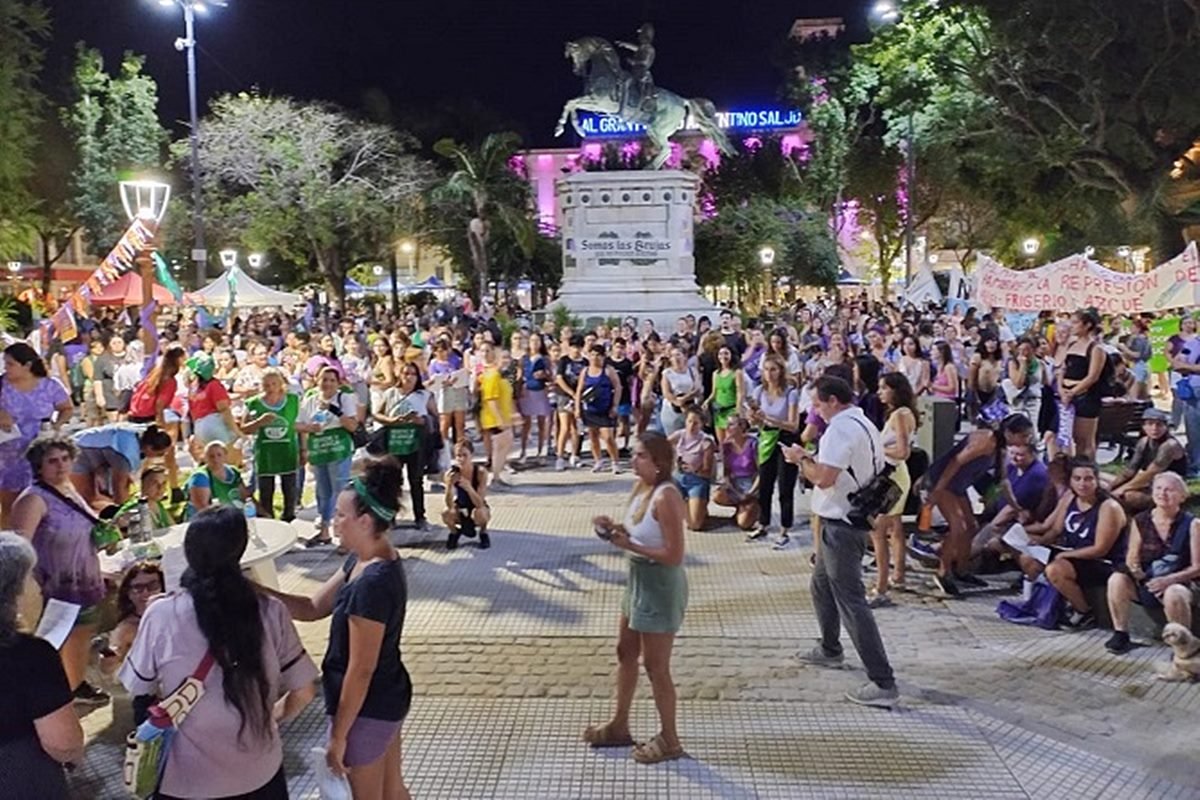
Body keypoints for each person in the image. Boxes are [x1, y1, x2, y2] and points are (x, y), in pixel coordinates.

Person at [119, 506, 319, 800]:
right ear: (240, 552)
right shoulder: (270, 611)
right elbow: (304, 690)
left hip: (187, 781)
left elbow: (136, 685)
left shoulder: (161, 614)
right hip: (259, 774)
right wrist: (273, 716)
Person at [258, 459, 413, 799]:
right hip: (388, 697)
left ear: (365, 521)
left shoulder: (371, 584)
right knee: (392, 790)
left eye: (341, 516)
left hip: (368, 709)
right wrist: (257, 591)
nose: (335, 522)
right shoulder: (367, 559)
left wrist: (338, 737)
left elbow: (361, 670)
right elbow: (312, 608)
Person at [784, 375, 898, 708]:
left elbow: (823, 478)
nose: (815, 412)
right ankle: (829, 648)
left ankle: (883, 681)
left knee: (851, 602)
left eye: (818, 404)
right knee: (821, 586)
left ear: (833, 401)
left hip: (841, 523)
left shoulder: (838, 430)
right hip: (852, 518)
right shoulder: (864, 423)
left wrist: (800, 460)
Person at [585, 432, 687, 764]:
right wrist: (614, 528)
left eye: (641, 455)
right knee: (625, 651)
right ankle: (619, 724)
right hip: (637, 579)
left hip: (659, 584)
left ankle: (670, 739)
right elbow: (639, 532)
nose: (634, 459)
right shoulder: (641, 488)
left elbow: (674, 555)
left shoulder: (667, 496)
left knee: (656, 666)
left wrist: (630, 546)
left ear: (658, 462)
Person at [12, 434, 110, 705]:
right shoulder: (32, 499)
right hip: (53, 589)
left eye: (65, 459)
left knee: (80, 636)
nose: (61, 465)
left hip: (84, 579)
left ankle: (75, 684)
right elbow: (20, 549)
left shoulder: (68, 488)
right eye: (52, 461)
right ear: (38, 467)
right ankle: (46, 699)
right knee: (49, 645)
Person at [0, 531, 84, 798]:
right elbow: (64, 744)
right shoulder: (30, 656)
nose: (39, 586)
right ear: (12, 593)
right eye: (31, 577)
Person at [920, 414, 1037, 597]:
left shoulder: (1002, 451)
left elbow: (1003, 482)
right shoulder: (986, 440)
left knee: (972, 526)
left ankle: (962, 569)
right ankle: (943, 572)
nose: (1026, 440)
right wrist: (937, 491)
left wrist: (1016, 506)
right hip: (943, 482)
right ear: (1009, 433)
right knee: (958, 528)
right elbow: (955, 461)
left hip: (958, 486)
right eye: (1023, 436)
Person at [1019, 459, 1126, 628]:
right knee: (1028, 558)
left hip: (1099, 561)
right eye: (1077, 479)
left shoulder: (1108, 507)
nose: (1082, 484)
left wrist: (1065, 554)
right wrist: (1037, 542)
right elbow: (1055, 531)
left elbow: (1100, 549)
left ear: (1097, 481)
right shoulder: (1070, 498)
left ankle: (1084, 611)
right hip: (1072, 554)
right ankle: (1038, 602)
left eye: (1088, 479)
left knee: (1056, 568)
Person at [1106, 472, 1200, 654]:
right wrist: (1136, 571)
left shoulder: (1193, 524)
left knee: (1174, 593)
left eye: (1169, 490)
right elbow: (1132, 556)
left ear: (1182, 496)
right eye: (1158, 488)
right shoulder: (1141, 520)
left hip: (1182, 582)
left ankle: (1183, 646)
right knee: (1116, 580)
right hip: (1149, 579)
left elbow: (1197, 567)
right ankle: (1121, 633)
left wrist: (1169, 580)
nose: (1162, 493)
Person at [0, 343, 73, 526]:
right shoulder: (2, 385)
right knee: (11, 507)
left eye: (10, 364)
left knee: (47, 503)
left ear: (27, 365)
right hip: (9, 457)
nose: (5, 368)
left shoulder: (49, 385)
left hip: (43, 454)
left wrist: (56, 426)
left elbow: (66, 408)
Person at [869, 373, 918, 606]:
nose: (879, 392)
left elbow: (902, 451)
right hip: (895, 474)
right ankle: (898, 574)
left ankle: (881, 586)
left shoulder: (900, 415)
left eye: (883, 388)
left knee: (878, 530)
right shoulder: (902, 413)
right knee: (895, 528)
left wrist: (877, 449)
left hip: (893, 477)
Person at [300, 366, 360, 545]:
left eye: (332, 380)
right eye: (324, 379)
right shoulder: (309, 400)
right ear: (317, 381)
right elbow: (297, 424)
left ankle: (344, 535)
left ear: (338, 383)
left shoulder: (344, 398)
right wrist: (309, 428)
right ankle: (324, 530)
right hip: (319, 448)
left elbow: (353, 425)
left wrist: (334, 409)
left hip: (338, 448)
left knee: (340, 490)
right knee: (323, 491)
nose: (327, 383)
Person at [99, 561, 165, 724]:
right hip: (151, 699)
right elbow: (110, 669)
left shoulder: (173, 612)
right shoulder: (127, 628)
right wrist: (109, 660)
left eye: (153, 585)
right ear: (128, 593)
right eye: (138, 588)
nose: (146, 593)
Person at [747, 355, 800, 549]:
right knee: (765, 484)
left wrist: (769, 419)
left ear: (781, 371)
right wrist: (755, 418)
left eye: (774, 370)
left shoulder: (790, 393)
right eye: (767, 370)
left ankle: (785, 527)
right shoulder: (759, 391)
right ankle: (763, 522)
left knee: (785, 486)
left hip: (785, 439)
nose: (770, 374)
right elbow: (755, 421)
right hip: (767, 438)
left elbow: (794, 425)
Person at [1103, 408, 1189, 514]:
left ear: (1166, 427)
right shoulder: (1143, 442)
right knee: (1101, 481)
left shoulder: (1169, 446)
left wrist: (1121, 489)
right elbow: (1129, 471)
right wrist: (1110, 488)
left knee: (1127, 495)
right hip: (1150, 485)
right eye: (1150, 424)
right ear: (1144, 427)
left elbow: (1150, 474)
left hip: (1167, 489)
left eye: (1159, 425)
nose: (1154, 428)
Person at [242, 367, 301, 521]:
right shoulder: (253, 403)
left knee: (290, 488)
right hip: (265, 453)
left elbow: (300, 425)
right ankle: (268, 519)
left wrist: (304, 448)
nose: (271, 388)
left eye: (274, 384)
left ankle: (289, 518)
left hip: (287, 450)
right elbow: (243, 429)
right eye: (267, 385)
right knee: (266, 490)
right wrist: (259, 422)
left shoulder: (293, 400)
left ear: (281, 384)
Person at [69, 422, 173, 510]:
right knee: (87, 498)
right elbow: (119, 488)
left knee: (106, 493)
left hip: (98, 448)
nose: (161, 457)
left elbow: (125, 482)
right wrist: (123, 512)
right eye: (160, 454)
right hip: (80, 449)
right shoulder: (125, 454)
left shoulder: (147, 434)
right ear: (149, 448)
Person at [1059, 308, 1110, 460]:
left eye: (1075, 323)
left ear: (1087, 325)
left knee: (1084, 440)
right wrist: (1062, 389)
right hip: (1067, 393)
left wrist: (1073, 392)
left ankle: (1088, 468)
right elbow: (1063, 368)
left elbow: (1092, 376)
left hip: (1086, 395)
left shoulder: (1096, 348)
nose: (1072, 326)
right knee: (1071, 437)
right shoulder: (1071, 345)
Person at [576, 343, 622, 473]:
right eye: (592, 355)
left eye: (598, 355)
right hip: (590, 408)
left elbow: (618, 387)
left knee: (608, 437)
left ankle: (615, 462)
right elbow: (580, 389)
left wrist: (615, 405)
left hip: (605, 408)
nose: (595, 358)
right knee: (593, 436)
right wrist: (577, 408)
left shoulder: (608, 370)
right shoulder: (585, 371)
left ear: (603, 357)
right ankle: (598, 461)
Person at [668, 407, 715, 531]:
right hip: (678, 477)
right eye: (689, 421)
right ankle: (688, 505)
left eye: (695, 423)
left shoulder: (706, 442)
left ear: (702, 424)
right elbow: (661, 445)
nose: (691, 426)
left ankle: (698, 507)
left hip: (697, 480)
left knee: (694, 525)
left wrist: (695, 469)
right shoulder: (679, 435)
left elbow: (708, 472)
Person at [186, 351, 240, 459]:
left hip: (199, 425)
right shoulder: (214, 385)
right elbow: (224, 409)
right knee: (229, 458)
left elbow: (192, 411)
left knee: (211, 460)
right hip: (214, 423)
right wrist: (236, 431)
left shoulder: (193, 388)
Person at [441, 440, 492, 550]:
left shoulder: (480, 472)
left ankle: (483, 532)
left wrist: (469, 488)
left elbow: (480, 503)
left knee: (480, 512)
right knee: (445, 513)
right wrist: (449, 486)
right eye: (458, 456)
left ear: (471, 456)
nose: (462, 459)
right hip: (460, 506)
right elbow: (449, 504)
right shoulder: (451, 474)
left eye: (465, 455)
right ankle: (454, 533)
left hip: (475, 506)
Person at [711, 415, 759, 531]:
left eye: (731, 424)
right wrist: (735, 491)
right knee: (717, 496)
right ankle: (740, 507)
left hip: (751, 484)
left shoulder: (753, 444)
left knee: (744, 524)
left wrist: (751, 492)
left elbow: (761, 472)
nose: (727, 427)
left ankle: (754, 508)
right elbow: (726, 473)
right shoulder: (726, 446)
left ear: (741, 427)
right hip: (735, 485)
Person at [479, 344, 517, 488]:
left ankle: (497, 476)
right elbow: (491, 400)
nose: (506, 361)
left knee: (504, 447)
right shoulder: (492, 375)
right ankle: (494, 478)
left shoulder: (503, 376)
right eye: (503, 358)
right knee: (499, 449)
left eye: (508, 358)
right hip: (494, 418)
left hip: (504, 417)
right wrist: (499, 419)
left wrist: (513, 414)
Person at [184, 440, 249, 519]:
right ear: (205, 458)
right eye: (211, 456)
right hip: (205, 521)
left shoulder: (233, 472)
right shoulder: (200, 477)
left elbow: (246, 497)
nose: (215, 459)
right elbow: (202, 508)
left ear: (225, 456)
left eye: (219, 455)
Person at [518, 332, 554, 464]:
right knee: (526, 424)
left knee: (541, 423)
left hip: (540, 391)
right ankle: (523, 451)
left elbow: (551, 376)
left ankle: (540, 452)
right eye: (532, 340)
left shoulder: (545, 359)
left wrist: (544, 374)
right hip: (527, 391)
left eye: (537, 341)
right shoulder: (524, 358)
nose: (534, 343)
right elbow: (519, 376)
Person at [554, 334, 588, 469]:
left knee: (576, 428)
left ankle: (575, 455)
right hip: (564, 395)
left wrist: (579, 395)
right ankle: (560, 456)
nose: (576, 350)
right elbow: (559, 378)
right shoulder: (564, 360)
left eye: (578, 347)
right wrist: (571, 393)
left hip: (580, 396)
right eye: (574, 347)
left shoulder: (585, 362)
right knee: (565, 427)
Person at [705, 345, 744, 445]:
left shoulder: (736, 372)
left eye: (726, 353)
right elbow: (714, 392)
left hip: (731, 410)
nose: (723, 356)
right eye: (720, 354)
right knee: (721, 442)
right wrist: (706, 402)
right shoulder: (716, 373)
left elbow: (740, 392)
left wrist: (738, 410)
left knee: (731, 441)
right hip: (719, 411)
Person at [659, 345, 699, 435]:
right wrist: (676, 402)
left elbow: (697, 388)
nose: (676, 358)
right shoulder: (667, 373)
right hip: (672, 409)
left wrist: (684, 399)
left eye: (678, 355)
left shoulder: (692, 371)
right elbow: (666, 392)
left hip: (690, 408)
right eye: (672, 356)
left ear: (685, 357)